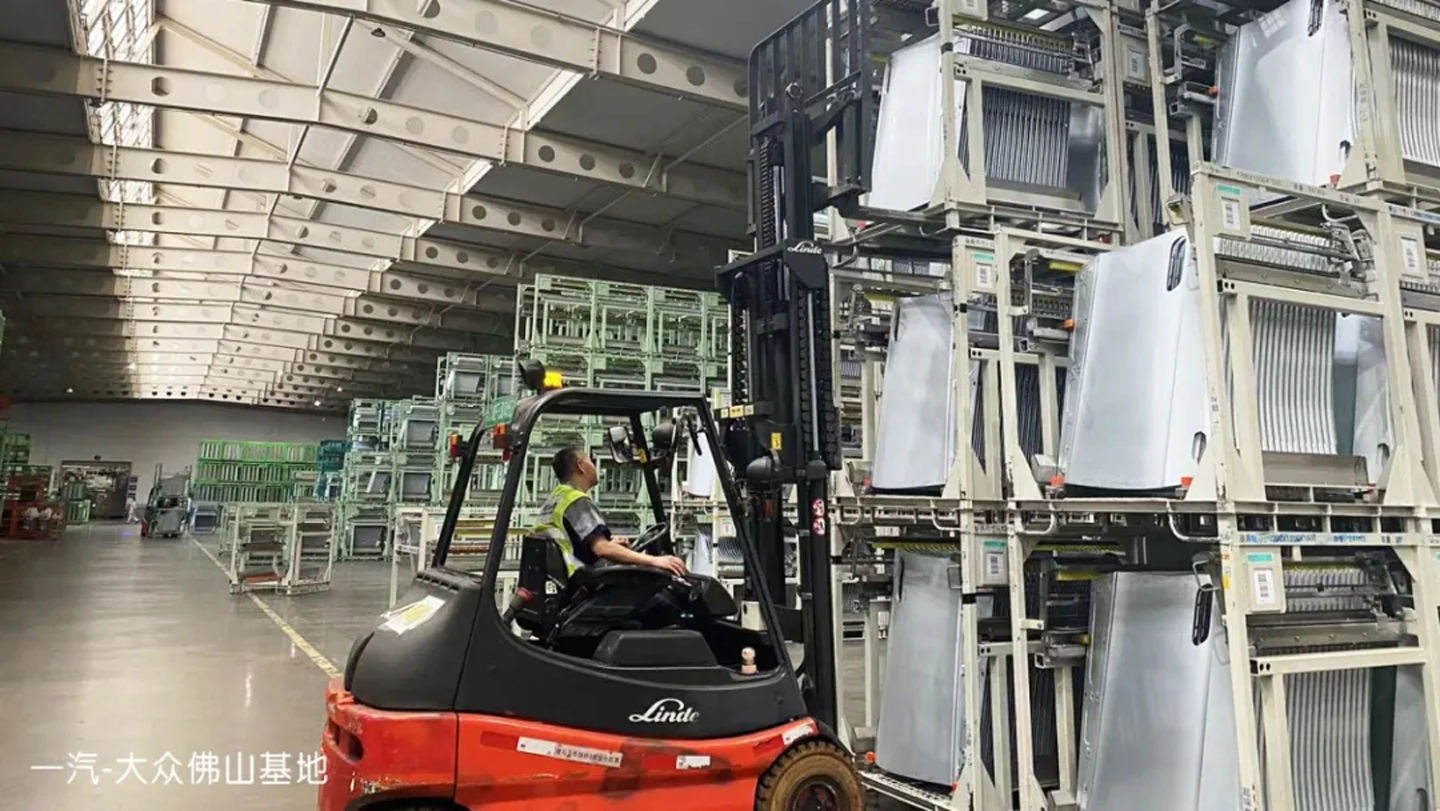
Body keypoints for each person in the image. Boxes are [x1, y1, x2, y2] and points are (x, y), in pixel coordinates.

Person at [535, 446, 688, 577]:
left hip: (561, 581)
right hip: (579, 584)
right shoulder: (577, 501)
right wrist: (655, 561)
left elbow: (570, 544)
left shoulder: (555, 500)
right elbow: (603, 549)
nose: (594, 465)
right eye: (590, 461)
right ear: (581, 466)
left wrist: (611, 545)